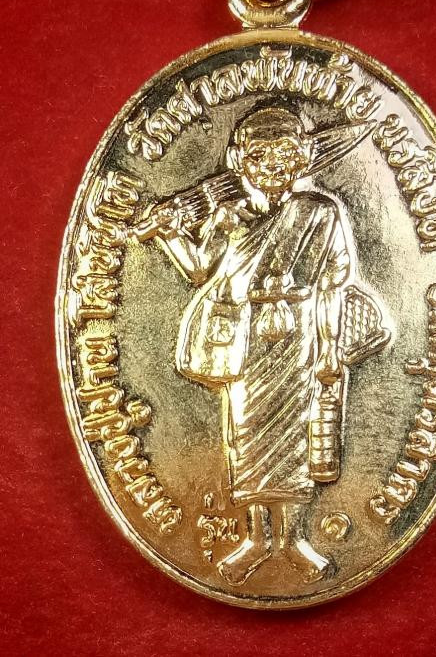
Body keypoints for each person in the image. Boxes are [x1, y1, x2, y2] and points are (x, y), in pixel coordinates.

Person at [158, 107, 354, 585]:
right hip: (245, 339)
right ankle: (256, 539)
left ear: (301, 157)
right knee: (245, 436)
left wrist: (330, 348)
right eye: (260, 155)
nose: (272, 165)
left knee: (296, 437)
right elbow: (199, 268)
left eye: (284, 154)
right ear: (241, 160)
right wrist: (168, 233)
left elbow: (333, 285)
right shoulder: (232, 215)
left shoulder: (320, 212)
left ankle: (293, 540)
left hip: (299, 336)